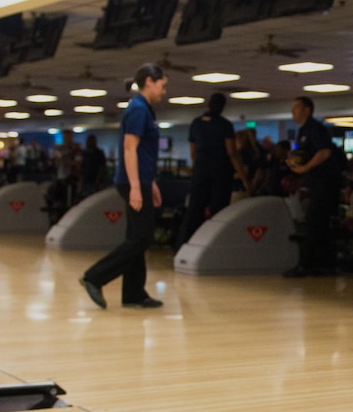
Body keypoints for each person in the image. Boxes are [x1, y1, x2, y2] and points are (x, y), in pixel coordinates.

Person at [78, 63, 169, 310]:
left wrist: (151, 183)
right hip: (132, 182)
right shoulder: (138, 110)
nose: (164, 91)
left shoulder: (145, 109)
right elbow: (129, 150)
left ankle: (133, 293)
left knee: (136, 237)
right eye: (162, 85)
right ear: (150, 81)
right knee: (142, 237)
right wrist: (137, 188)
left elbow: (145, 152)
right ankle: (94, 277)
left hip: (139, 180)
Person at [284, 96, 342, 277]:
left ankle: (308, 265)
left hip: (325, 183)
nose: (293, 112)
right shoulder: (303, 130)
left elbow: (324, 152)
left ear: (307, 110)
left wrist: (304, 168)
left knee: (314, 222)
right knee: (318, 224)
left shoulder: (314, 128)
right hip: (317, 183)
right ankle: (323, 265)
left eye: (296, 108)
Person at [179, 91, 240, 246]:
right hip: (220, 170)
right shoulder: (225, 124)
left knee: (194, 210)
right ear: (223, 107)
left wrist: (198, 167)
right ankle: (216, 245)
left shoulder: (196, 123)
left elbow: (193, 151)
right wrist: (244, 177)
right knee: (218, 210)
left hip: (201, 169)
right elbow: (232, 152)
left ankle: (184, 245)